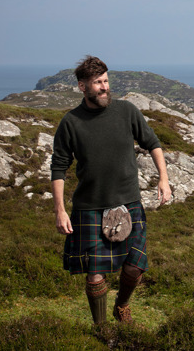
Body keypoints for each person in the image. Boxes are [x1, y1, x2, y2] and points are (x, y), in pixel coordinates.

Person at [51, 55, 172, 324]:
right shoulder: (70, 122)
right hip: (90, 206)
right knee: (95, 273)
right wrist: (60, 210)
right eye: (97, 83)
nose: (104, 87)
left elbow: (152, 143)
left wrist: (164, 179)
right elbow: (58, 167)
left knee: (135, 267)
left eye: (106, 81)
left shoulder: (127, 111)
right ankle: (101, 326)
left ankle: (122, 306)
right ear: (82, 86)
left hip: (129, 202)